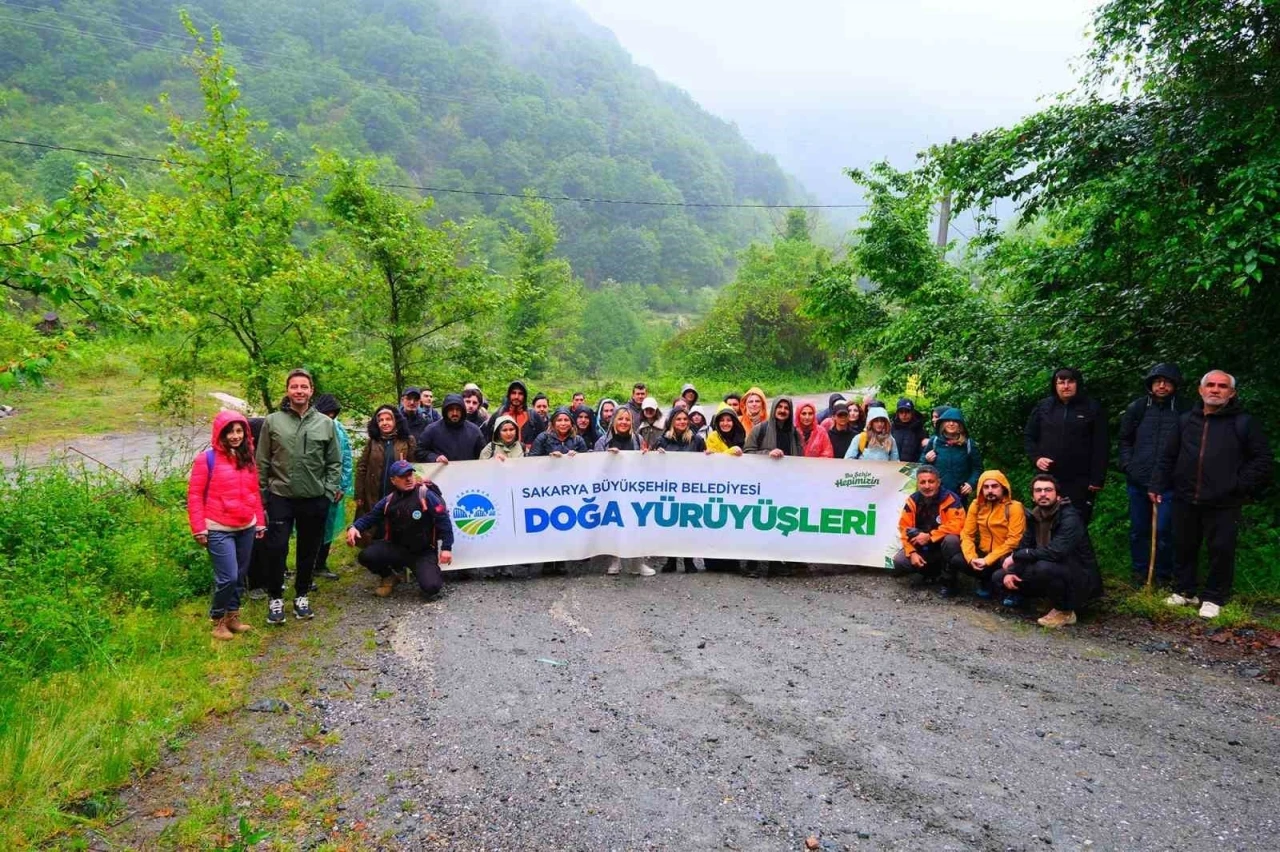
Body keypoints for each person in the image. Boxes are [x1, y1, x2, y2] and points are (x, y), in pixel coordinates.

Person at [1152, 370, 1273, 619]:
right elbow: (1168, 456)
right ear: (1201, 390)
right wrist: (1157, 484)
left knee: (1221, 549)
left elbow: (1262, 459)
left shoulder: (1243, 423)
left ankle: (1214, 597)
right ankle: (1185, 591)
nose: (1215, 390)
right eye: (1211, 385)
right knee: (1183, 545)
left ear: (1232, 393)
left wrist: (1237, 485)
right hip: (1185, 496)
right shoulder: (1186, 420)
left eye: (1222, 386)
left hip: (1224, 501)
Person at [256, 368, 342, 625]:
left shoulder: (325, 424)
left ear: (311, 391)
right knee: (277, 548)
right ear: (288, 390)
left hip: (314, 497)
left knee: (308, 550)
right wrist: (263, 494)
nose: (299, 391)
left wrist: (328, 492)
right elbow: (262, 460)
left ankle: (302, 595)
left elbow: (334, 462)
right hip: (280, 496)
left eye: (304, 386)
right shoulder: (273, 421)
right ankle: (275, 598)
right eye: (294, 386)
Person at [187, 411, 266, 640]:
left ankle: (233, 616)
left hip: (246, 526)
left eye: (239, 431)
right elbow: (195, 495)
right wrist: (198, 527)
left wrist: (259, 522)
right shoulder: (206, 459)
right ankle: (217, 619)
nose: (235, 436)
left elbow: (254, 492)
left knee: (240, 576)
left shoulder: (247, 457)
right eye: (230, 432)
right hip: (218, 527)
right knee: (228, 577)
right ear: (220, 434)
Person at [991, 473, 1102, 628]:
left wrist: (1017, 556)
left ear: (1058, 495)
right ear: (1033, 497)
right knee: (1000, 576)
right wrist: (1012, 571)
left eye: (1048, 490)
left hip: (1079, 577)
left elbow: (1056, 552)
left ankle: (1065, 610)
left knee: (1043, 566)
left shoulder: (1070, 517)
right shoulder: (1034, 516)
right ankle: (1046, 600)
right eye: (1038, 490)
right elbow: (1024, 546)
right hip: (1050, 569)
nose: (1043, 494)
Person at [1117, 363, 1185, 586]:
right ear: (1150, 384)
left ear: (1175, 385)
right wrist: (1128, 465)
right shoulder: (1138, 408)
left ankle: (1163, 574)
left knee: (1165, 529)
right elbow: (1125, 440)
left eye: (1166, 382)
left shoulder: (1184, 409)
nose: (1162, 386)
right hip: (1139, 480)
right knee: (1139, 529)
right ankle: (1140, 572)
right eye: (1157, 381)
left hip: (1169, 482)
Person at [347, 460, 453, 599]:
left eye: (410, 474)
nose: (408, 479)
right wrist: (354, 527)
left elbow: (443, 521)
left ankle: (424, 572)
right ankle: (389, 576)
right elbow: (371, 517)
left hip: (423, 552)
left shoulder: (426, 495)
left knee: (432, 587)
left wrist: (446, 548)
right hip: (396, 548)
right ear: (393, 480)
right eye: (403, 476)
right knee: (366, 556)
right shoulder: (389, 500)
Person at [1024, 367, 1108, 525]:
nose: (1066, 386)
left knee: (1076, 522)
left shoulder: (1092, 408)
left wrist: (1097, 477)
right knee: (1044, 522)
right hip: (1049, 476)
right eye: (1061, 382)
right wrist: (1036, 458)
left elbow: (1101, 444)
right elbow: (1029, 436)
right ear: (1055, 385)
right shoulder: (1044, 407)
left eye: (1070, 382)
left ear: (1078, 384)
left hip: (1080, 479)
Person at [592, 408, 655, 577]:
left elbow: (646, 464)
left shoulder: (638, 439)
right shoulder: (603, 441)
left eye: (627, 419)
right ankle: (615, 559)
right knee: (614, 525)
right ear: (614, 420)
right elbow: (595, 466)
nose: (624, 422)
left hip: (634, 489)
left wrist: (647, 455)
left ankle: (637, 562)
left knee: (637, 524)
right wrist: (607, 457)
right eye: (620, 419)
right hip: (611, 489)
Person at [956, 470, 1026, 599]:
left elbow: (1014, 540)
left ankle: (1013, 592)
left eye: (994, 486)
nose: (990, 490)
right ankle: (985, 581)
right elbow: (967, 534)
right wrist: (971, 558)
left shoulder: (1014, 507)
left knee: (1006, 567)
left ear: (1003, 487)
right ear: (980, 489)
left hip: (1004, 555)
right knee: (957, 558)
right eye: (986, 487)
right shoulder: (976, 505)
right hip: (983, 553)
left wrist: (988, 560)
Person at [892, 465, 964, 587]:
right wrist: (912, 552)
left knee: (951, 540)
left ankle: (949, 579)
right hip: (923, 548)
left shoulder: (951, 499)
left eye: (931, 481)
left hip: (942, 547)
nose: (927, 486)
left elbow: (958, 525)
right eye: (922, 482)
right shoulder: (912, 500)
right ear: (918, 484)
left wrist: (930, 536)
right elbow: (904, 528)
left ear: (938, 482)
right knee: (899, 561)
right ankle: (930, 574)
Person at [355, 405, 418, 543]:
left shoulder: (407, 440)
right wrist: (359, 494)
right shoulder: (372, 441)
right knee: (374, 521)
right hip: (374, 490)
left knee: (397, 520)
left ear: (396, 421)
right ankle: (373, 547)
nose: (384, 423)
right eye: (381, 420)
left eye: (388, 419)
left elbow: (415, 467)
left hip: (397, 489)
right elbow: (361, 468)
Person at [655, 408, 706, 573]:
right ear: (671, 421)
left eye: (685, 419)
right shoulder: (662, 440)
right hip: (670, 490)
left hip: (690, 490)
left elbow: (705, 463)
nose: (682, 422)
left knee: (688, 526)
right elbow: (653, 465)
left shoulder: (697, 440)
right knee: (671, 525)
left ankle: (688, 560)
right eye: (678, 419)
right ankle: (671, 560)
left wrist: (708, 457)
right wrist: (656, 455)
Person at [312, 394, 353, 582]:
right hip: (312, 488)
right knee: (312, 528)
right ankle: (308, 567)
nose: (330, 417)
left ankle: (320, 564)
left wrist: (342, 486)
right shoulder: (311, 427)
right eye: (326, 413)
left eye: (333, 414)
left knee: (327, 526)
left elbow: (346, 459)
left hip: (333, 489)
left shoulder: (339, 429)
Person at [924, 408, 982, 502]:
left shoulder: (968, 444)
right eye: (948, 421)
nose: (951, 424)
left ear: (960, 425)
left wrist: (971, 484)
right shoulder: (934, 441)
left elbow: (977, 468)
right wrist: (926, 459)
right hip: (936, 495)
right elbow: (921, 465)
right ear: (942, 424)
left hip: (960, 496)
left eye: (955, 421)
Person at [418, 393, 485, 464]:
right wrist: (435, 458)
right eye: (451, 409)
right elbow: (420, 451)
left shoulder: (474, 431)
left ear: (462, 411)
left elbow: (484, 454)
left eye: (458, 409)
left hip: (467, 469)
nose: (454, 413)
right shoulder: (432, 430)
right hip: (442, 470)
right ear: (445, 410)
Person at [483, 380, 546, 449]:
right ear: (509, 395)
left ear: (524, 396)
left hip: (529, 454)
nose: (516, 396)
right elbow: (488, 440)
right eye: (513, 393)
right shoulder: (498, 415)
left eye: (520, 394)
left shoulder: (533, 416)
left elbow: (543, 441)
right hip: (503, 454)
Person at [891, 398, 927, 464]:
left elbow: (924, 451)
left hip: (913, 466)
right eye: (901, 412)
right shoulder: (892, 428)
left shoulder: (919, 429)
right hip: (894, 465)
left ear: (912, 412)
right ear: (897, 414)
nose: (904, 415)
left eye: (907, 412)